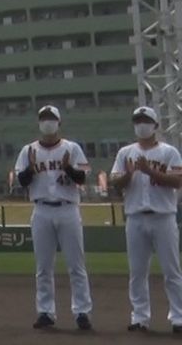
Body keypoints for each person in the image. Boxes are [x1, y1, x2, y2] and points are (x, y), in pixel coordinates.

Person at [13, 105, 93, 330]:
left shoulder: (72, 148)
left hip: (68, 208)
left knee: (76, 265)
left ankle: (82, 312)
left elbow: (82, 178)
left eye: (51, 118)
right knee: (43, 266)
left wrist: (68, 168)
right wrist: (30, 169)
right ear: (39, 123)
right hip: (41, 209)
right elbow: (22, 181)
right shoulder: (29, 150)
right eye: (43, 118)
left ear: (59, 123)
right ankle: (46, 311)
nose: (47, 122)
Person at [110, 105, 182, 333]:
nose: (142, 124)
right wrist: (130, 173)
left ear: (155, 126)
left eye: (146, 121)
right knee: (137, 271)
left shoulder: (169, 151)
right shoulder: (125, 153)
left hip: (163, 217)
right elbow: (115, 184)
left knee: (172, 270)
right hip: (135, 217)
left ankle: (178, 318)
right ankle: (140, 318)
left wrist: (149, 171)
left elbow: (177, 181)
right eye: (138, 121)